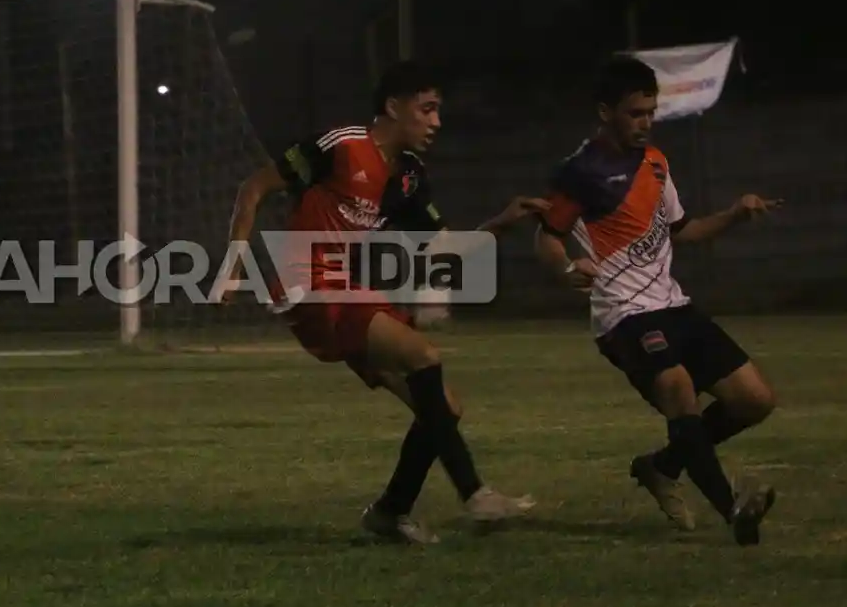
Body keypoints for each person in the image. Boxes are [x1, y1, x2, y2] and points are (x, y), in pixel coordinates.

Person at [222, 61, 546, 545]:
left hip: (343, 289)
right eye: (428, 109)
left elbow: (444, 250)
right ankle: (476, 493)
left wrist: (500, 223)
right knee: (425, 356)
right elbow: (254, 188)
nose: (436, 122)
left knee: (444, 408)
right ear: (394, 107)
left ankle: (390, 511)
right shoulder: (342, 145)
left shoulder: (409, 177)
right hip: (307, 282)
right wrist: (234, 264)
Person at [533, 55, 783, 545]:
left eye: (651, 111)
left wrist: (735, 213)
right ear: (606, 112)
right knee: (678, 388)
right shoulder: (579, 171)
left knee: (755, 400)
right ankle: (732, 510)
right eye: (635, 113)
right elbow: (545, 238)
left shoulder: (656, 163)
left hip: (673, 304)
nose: (645, 122)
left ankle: (661, 467)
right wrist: (566, 269)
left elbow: (684, 231)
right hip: (623, 315)